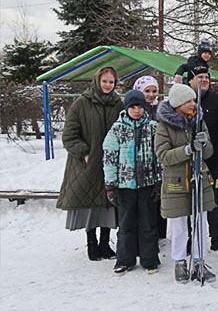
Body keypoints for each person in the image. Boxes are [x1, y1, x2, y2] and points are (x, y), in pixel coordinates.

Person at [57, 66, 123, 261]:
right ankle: (92, 243)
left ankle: (105, 242)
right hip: (87, 163)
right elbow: (69, 136)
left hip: (111, 163)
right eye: (105, 81)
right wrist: (84, 152)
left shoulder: (117, 104)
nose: (108, 85)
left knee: (108, 204)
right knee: (91, 205)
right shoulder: (81, 104)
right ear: (97, 81)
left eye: (111, 82)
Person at [155, 83, 216, 283]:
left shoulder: (198, 121)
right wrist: (188, 149)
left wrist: (204, 143)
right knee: (179, 225)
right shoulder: (164, 125)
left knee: (201, 223)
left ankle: (199, 260)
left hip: (199, 179)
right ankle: (179, 261)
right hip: (177, 182)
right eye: (188, 101)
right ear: (177, 103)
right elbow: (163, 155)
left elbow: (208, 153)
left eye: (193, 100)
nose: (193, 104)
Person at [102, 90, 162, 276]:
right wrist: (111, 185)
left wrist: (159, 182)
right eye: (132, 107)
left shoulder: (153, 127)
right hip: (125, 185)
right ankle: (125, 260)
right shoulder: (117, 129)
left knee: (148, 223)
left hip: (147, 184)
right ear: (126, 108)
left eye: (139, 107)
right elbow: (109, 158)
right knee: (126, 224)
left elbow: (159, 155)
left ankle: (149, 259)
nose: (136, 111)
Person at [188, 65, 218, 256]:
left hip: (215, 162)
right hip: (189, 162)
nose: (204, 80)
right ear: (191, 80)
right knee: (189, 203)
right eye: (199, 76)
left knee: (215, 203)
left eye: (206, 76)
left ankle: (216, 238)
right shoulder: (184, 101)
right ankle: (191, 238)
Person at [133, 75, 166, 239]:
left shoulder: (160, 109)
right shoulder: (135, 110)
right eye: (147, 91)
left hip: (158, 158)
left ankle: (160, 233)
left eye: (154, 91)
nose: (151, 95)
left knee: (158, 197)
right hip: (141, 161)